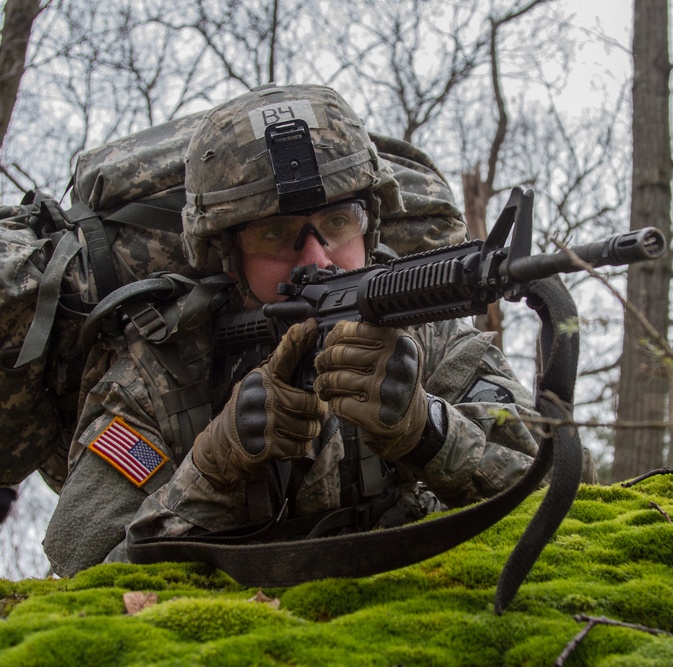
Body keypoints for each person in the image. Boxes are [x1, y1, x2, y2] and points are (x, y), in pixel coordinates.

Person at [44, 84, 594, 576]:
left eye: (337, 223)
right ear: (227, 254)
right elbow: (82, 571)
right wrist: (210, 470)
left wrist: (427, 429)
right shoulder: (161, 372)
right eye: (277, 234)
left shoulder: (429, 337)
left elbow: (575, 502)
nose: (318, 258)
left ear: (369, 224)